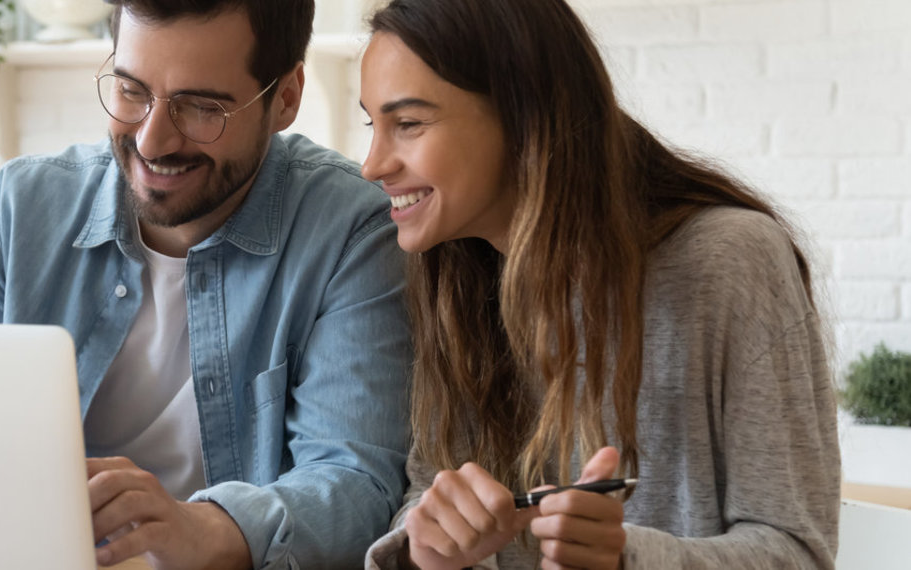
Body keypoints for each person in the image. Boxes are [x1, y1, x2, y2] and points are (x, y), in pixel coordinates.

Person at [356, 0, 839, 568]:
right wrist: (428, 552)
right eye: (373, 124)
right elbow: (429, 496)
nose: (372, 164)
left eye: (408, 124)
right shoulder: (455, 278)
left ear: (524, 114)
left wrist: (624, 558)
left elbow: (799, 551)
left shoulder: (729, 261)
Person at [0, 0, 413, 568]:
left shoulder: (351, 231)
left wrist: (200, 528)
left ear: (284, 98)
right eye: (132, 91)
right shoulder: (17, 213)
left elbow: (356, 486)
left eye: (201, 107)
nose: (152, 141)